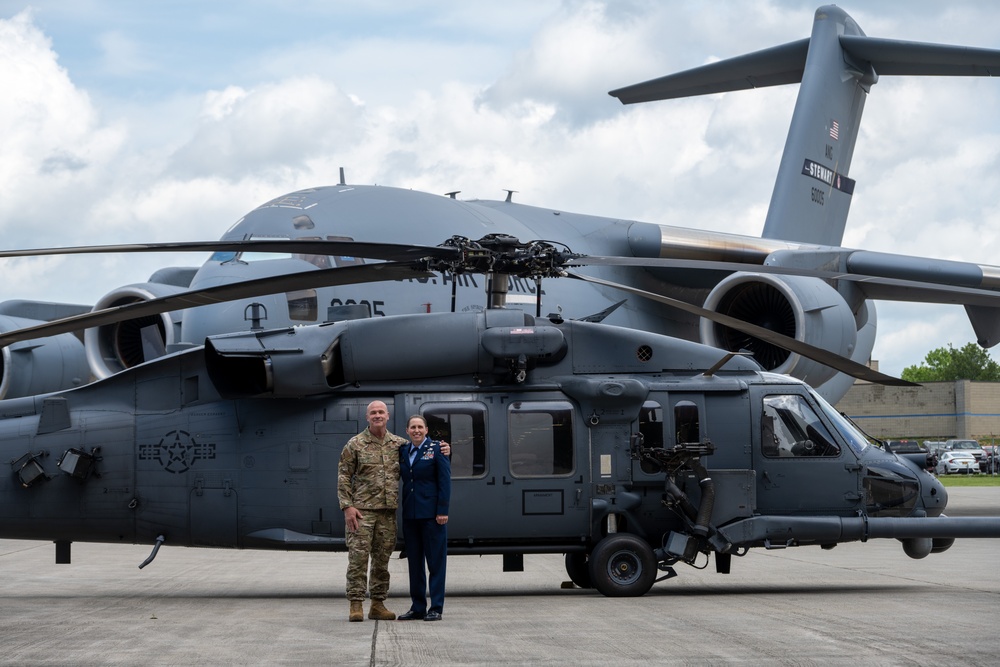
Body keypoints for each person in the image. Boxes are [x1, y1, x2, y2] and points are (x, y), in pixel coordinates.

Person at [337, 401, 449, 623]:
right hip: (362, 512)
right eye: (373, 413)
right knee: (358, 559)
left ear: (387, 416)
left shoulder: (399, 444)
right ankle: (356, 604)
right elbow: (343, 475)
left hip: (388, 513)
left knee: (381, 560)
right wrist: (347, 507)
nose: (377, 416)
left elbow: (424, 449)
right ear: (367, 417)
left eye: (381, 412)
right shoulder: (355, 444)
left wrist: (444, 448)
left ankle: (378, 604)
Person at [397, 414, 451, 622]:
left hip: (432, 516)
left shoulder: (437, 449)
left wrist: (443, 510)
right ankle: (418, 606)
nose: (417, 430)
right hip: (411, 515)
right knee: (415, 563)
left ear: (426, 430)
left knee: (435, 563)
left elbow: (444, 482)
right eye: (413, 427)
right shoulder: (403, 450)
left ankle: (436, 607)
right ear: (407, 431)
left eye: (420, 427)